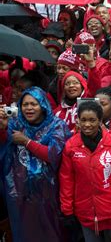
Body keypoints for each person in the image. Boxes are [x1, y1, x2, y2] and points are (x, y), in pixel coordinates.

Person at [0, 87, 71, 242]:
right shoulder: (16, 124)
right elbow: (4, 150)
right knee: (27, 233)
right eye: (25, 104)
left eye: (34, 104)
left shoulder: (56, 125)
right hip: (20, 194)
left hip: (50, 194)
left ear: (43, 105)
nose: (29, 108)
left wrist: (27, 142)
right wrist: (4, 127)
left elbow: (53, 155)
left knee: (53, 233)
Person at [59, 101, 111, 242]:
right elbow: (67, 179)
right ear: (78, 121)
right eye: (83, 120)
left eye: (92, 120)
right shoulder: (70, 146)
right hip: (85, 211)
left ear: (100, 121)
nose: (87, 124)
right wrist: (67, 210)